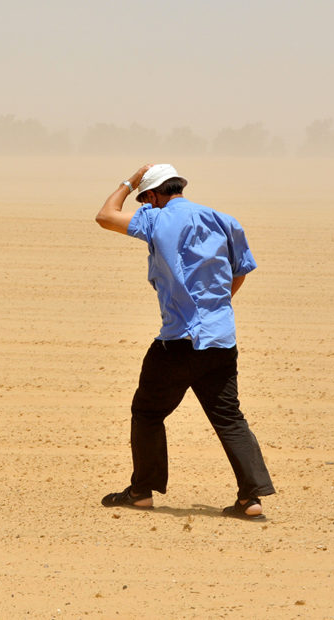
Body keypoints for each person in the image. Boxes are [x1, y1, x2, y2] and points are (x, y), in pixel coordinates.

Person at [94, 163, 275, 520]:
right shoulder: (224, 220)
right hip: (220, 339)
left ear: (152, 195)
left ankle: (142, 491)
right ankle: (250, 499)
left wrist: (130, 181)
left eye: (146, 196)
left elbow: (105, 215)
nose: (145, 203)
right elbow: (240, 272)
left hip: (177, 341)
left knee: (147, 412)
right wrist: (214, 311)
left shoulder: (152, 218)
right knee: (229, 418)